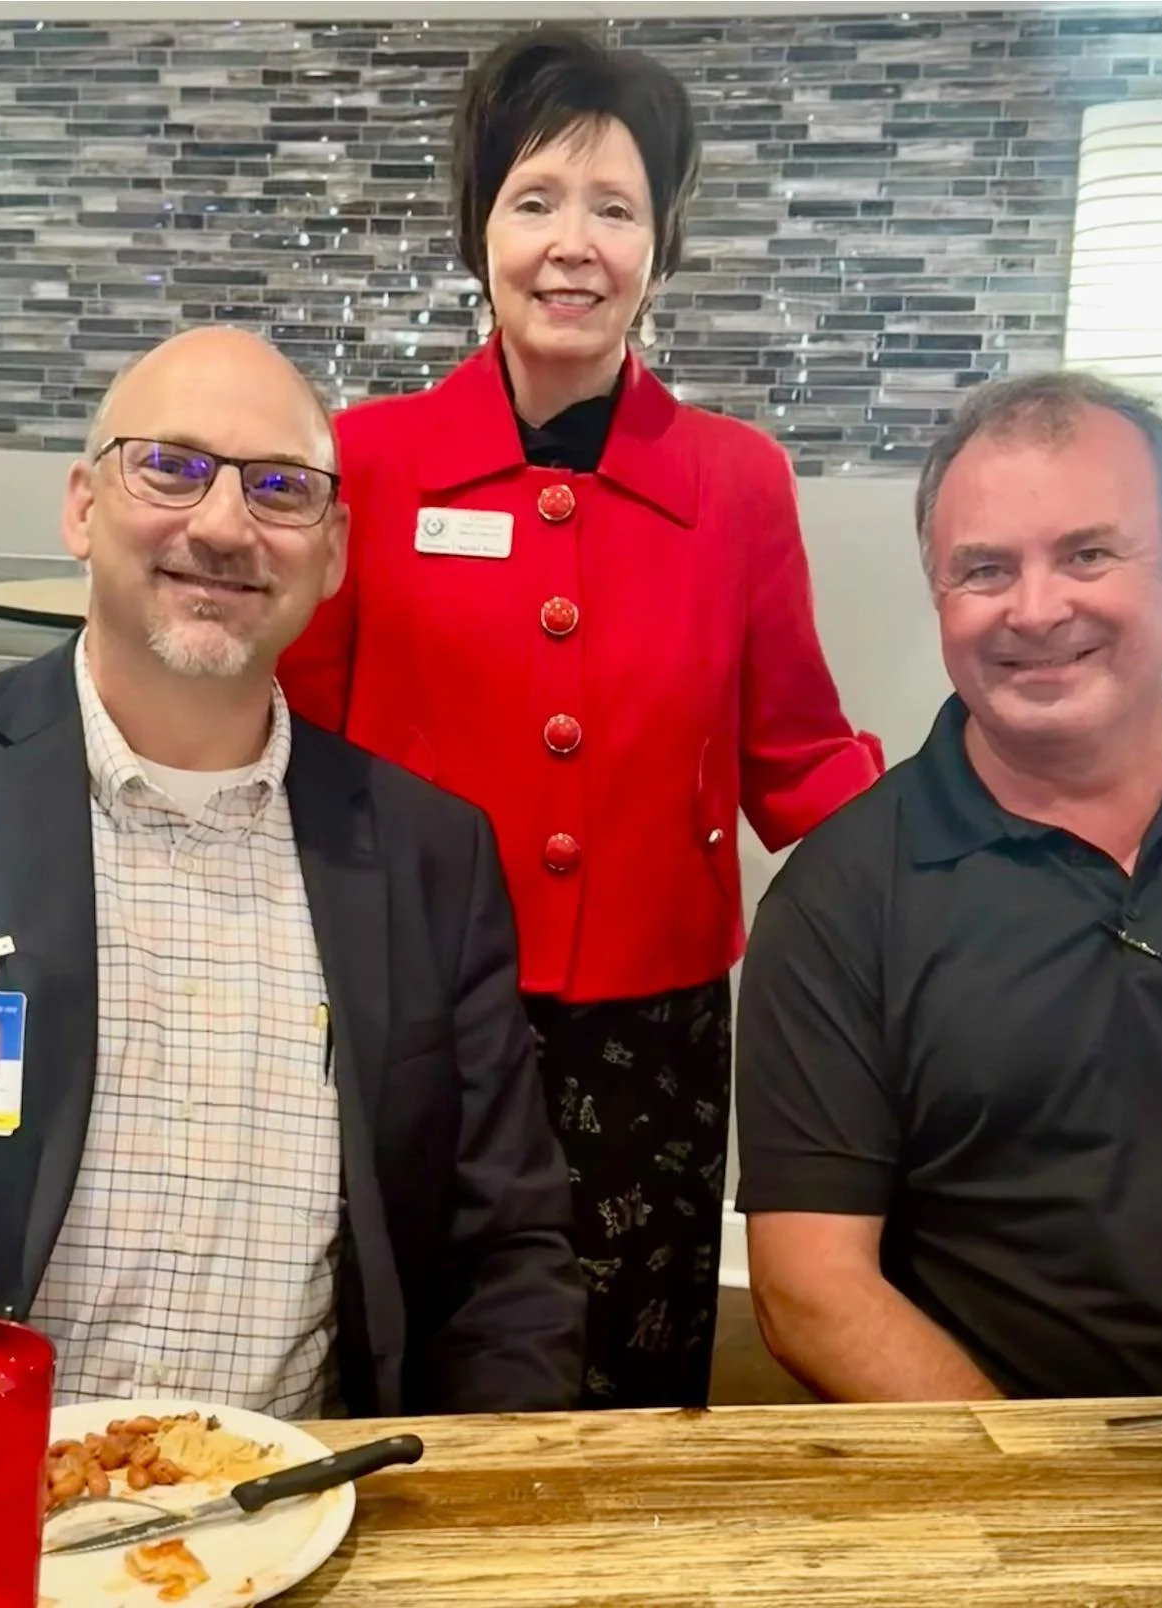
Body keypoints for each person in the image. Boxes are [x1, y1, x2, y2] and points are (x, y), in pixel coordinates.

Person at [278, 27, 880, 1410]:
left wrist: (956, 856)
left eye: (614, 208)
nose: (572, 243)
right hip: (413, 1000)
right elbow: (292, 744)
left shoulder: (734, 481)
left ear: (659, 244)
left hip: (650, 1034)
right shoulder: (362, 461)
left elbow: (794, 749)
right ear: (477, 227)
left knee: (628, 1372)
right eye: (534, 200)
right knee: (410, 1345)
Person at [0, 325, 585, 1418]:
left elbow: (508, 1254)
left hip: (303, 1528)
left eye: (278, 488)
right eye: (170, 466)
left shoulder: (428, 860)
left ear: (336, 547)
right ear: (82, 504)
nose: (222, 525)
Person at [736, 370, 1162, 1402]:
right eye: (984, 569)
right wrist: (1045, 1505)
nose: (1036, 609)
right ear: (939, 597)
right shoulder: (839, 903)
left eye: (1088, 554)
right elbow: (811, 1291)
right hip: (1010, 1478)